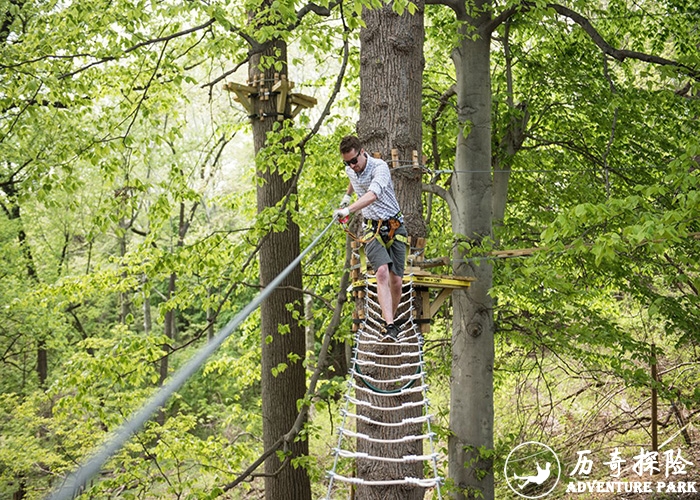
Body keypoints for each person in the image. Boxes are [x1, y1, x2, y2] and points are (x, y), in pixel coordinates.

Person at [333, 135, 408, 340]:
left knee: (397, 282)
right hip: (371, 228)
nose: (351, 166)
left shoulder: (379, 168)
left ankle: (390, 316)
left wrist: (348, 210)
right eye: (347, 162)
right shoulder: (351, 168)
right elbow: (352, 178)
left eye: (354, 161)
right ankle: (389, 324)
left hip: (394, 226)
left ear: (362, 152)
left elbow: (372, 194)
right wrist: (346, 197)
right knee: (381, 272)